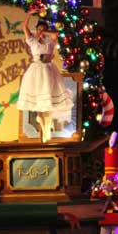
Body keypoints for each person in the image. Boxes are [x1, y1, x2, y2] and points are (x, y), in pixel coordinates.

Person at [17, 7, 73, 142]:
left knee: (48, 99)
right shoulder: (32, 41)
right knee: (39, 100)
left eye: (43, 29)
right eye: (39, 29)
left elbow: (56, 34)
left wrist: (44, 31)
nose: (40, 32)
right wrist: (29, 15)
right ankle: (41, 121)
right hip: (36, 71)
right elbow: (24, 27)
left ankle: (47, 126)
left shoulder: (49, 41)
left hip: (48, 70)